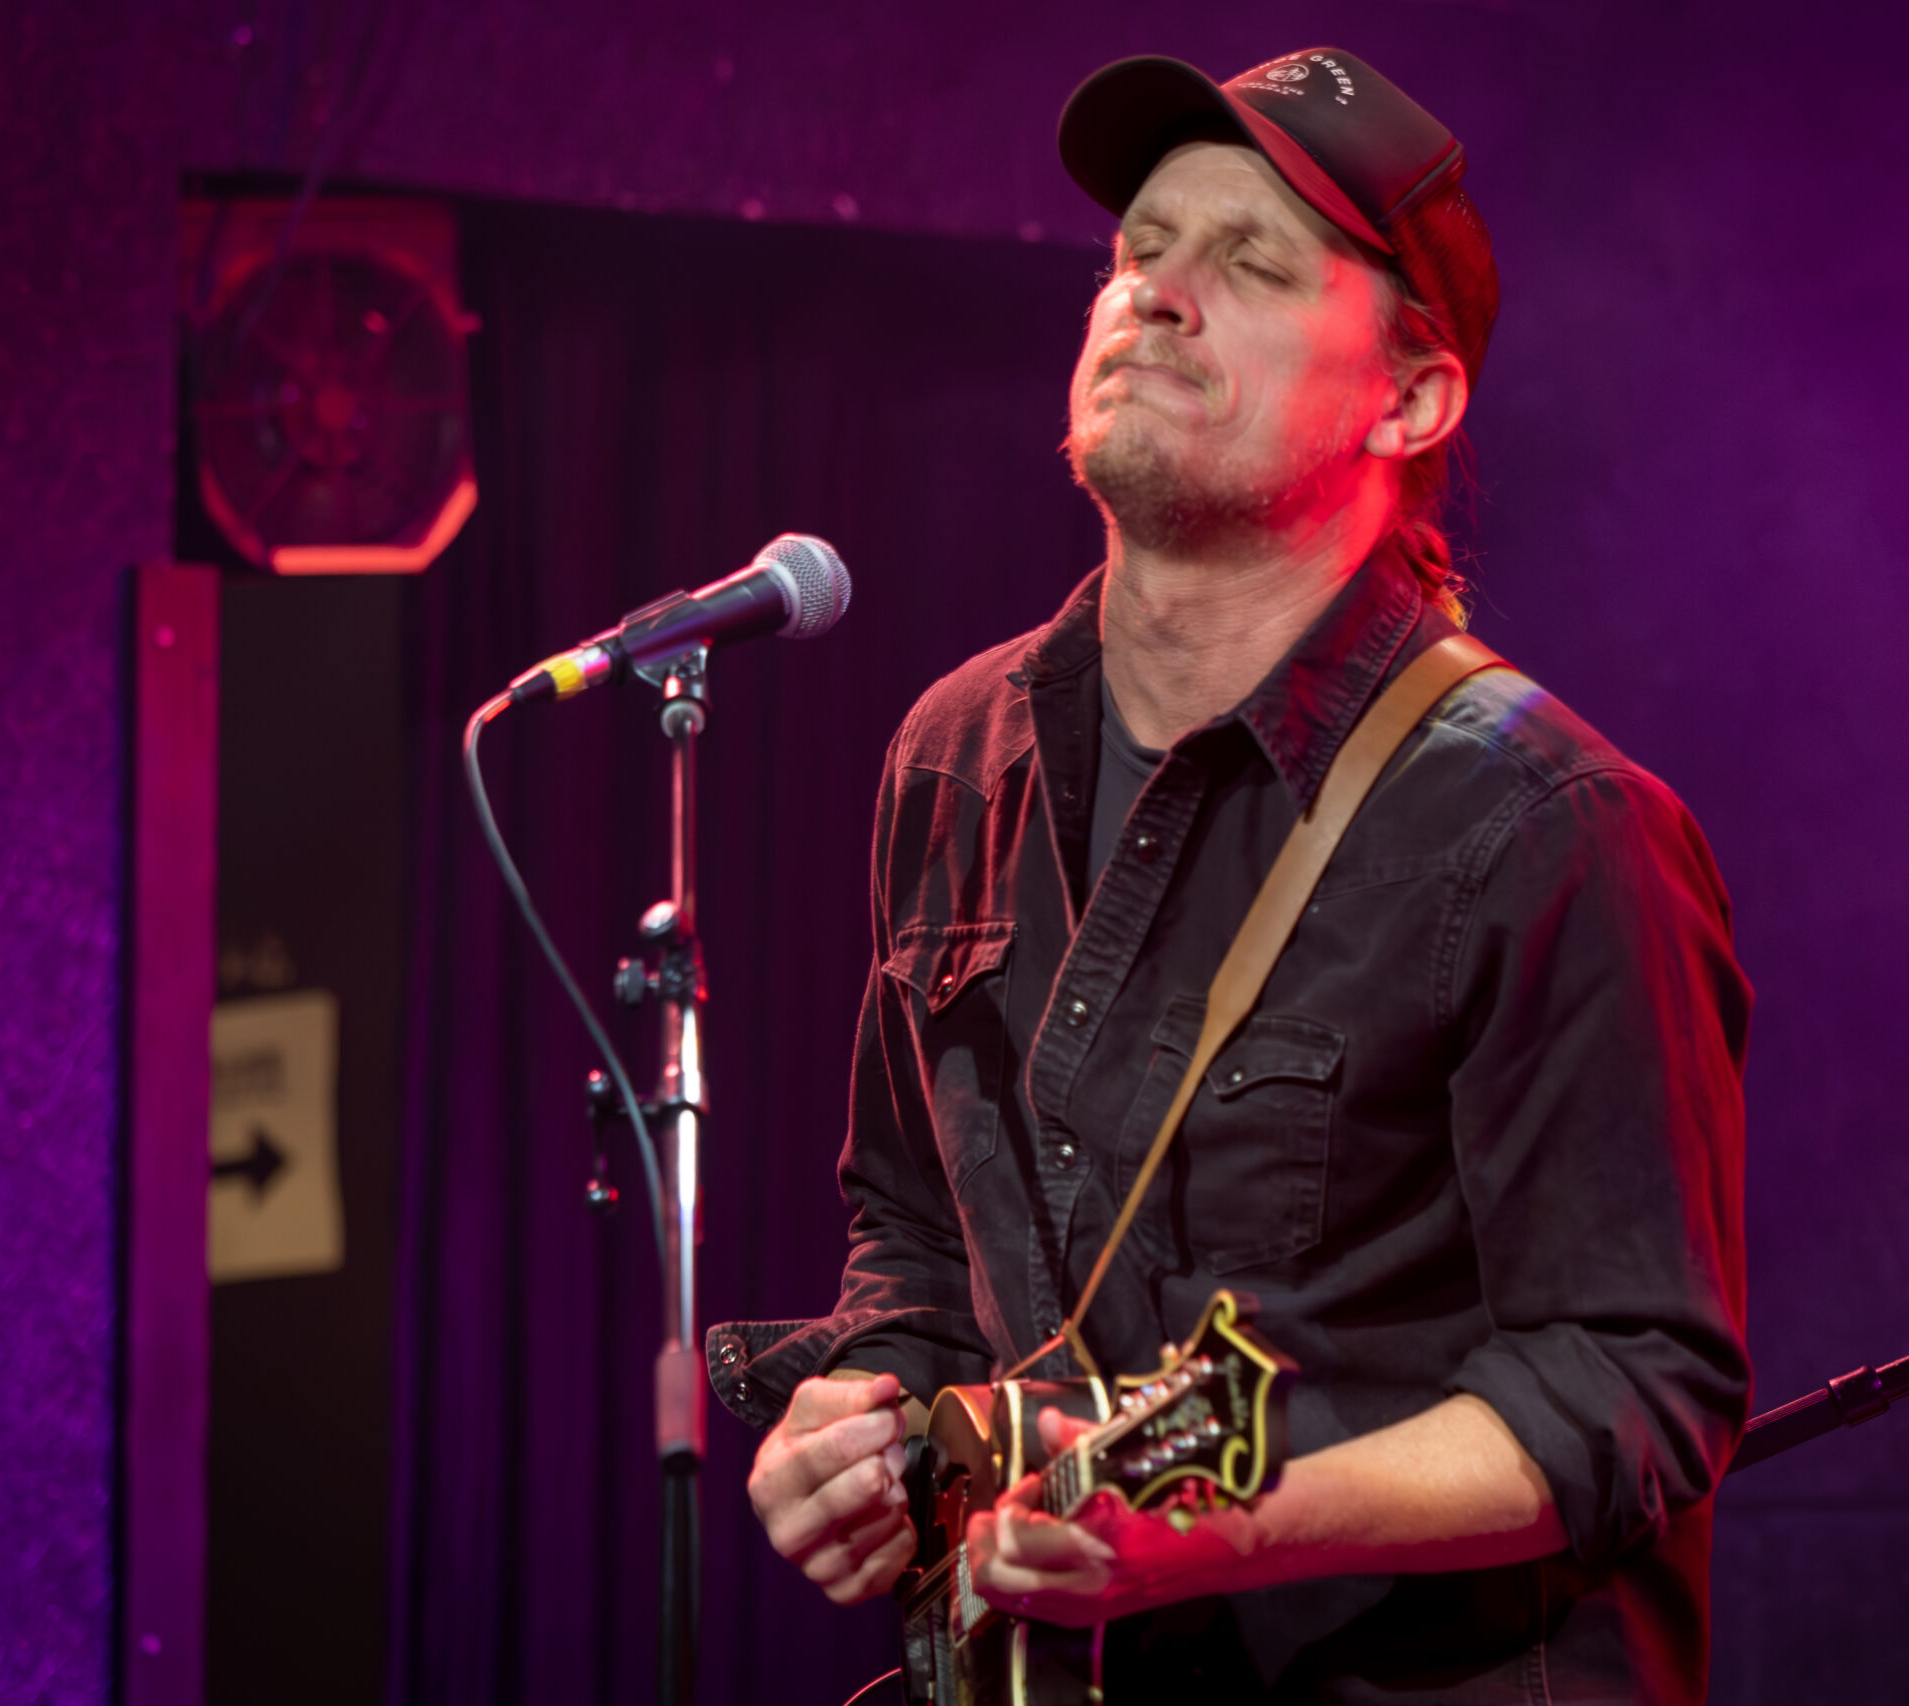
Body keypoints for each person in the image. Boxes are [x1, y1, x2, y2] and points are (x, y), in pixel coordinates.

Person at [710, 47, 1752, 1704]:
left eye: (1250, 263)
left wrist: (1249, 1523)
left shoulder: (1547, 817)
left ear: (1409, 399)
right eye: (1140, 251)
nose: (1158, 296)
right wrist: (870, 1426)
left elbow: (1635, 1381)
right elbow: (911, 1231)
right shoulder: (953, 751)